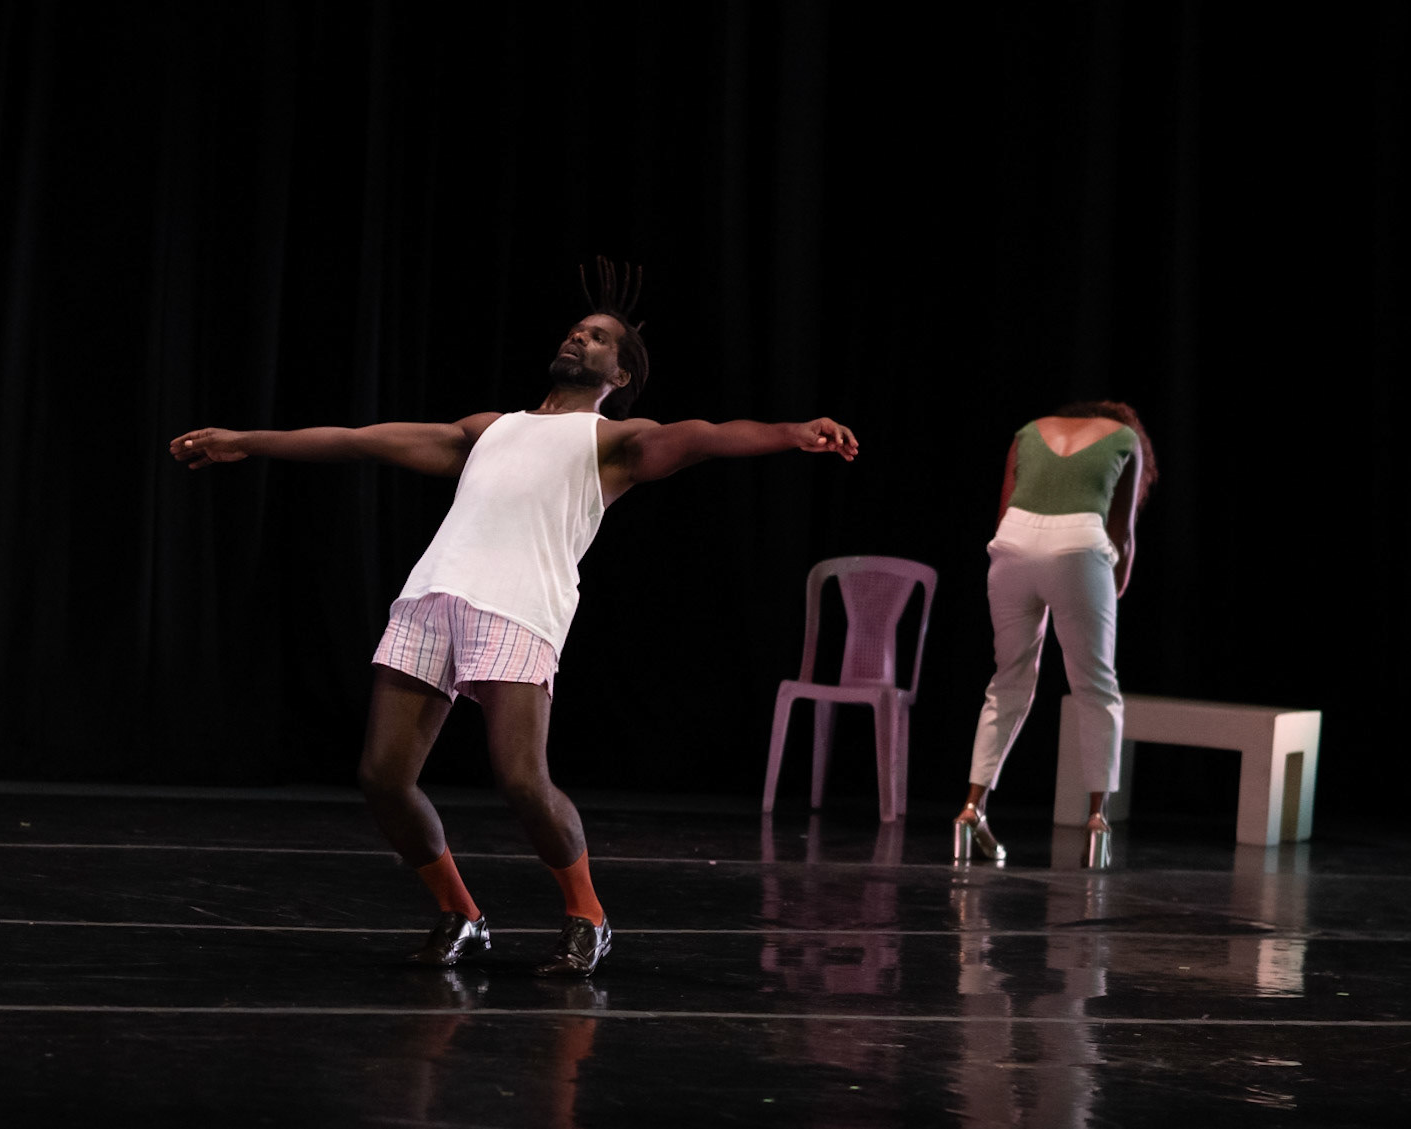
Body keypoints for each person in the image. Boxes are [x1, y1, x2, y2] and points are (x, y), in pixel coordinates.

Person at [169, 258, 859, 975]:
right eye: (577, 330)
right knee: (383, 776)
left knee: (523, 780)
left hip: (519, 607)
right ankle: (460, 915)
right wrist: (247, 440)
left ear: (619, 374)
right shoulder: (487, 429)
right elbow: (358, 437)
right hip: (432, 596)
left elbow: (706, 434)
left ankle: (588, 916)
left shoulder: (612, 442)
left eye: (598, 337)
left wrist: (792, 431)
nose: (579, 338)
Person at [953, 401, 1156, 868]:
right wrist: (1112, 587)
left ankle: (970, 809)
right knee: (1096, 687)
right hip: (1079, 546)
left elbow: (1004, 513)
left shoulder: (1029, 430)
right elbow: (1122, 535)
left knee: (1007, 683)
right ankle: (1097, 821)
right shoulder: (1126, 440)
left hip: (1012, 543)